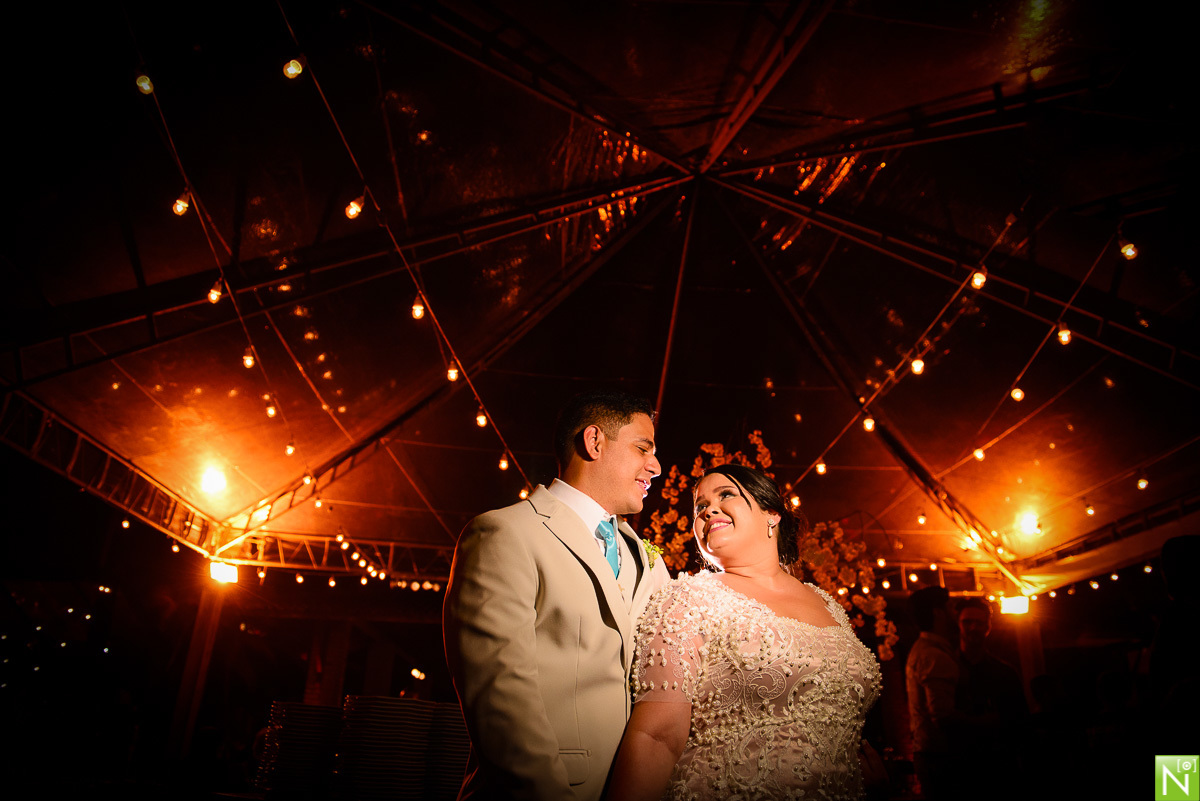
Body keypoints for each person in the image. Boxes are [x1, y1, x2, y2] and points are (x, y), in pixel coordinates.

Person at [443, 390, 672, 801]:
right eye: (643, 448)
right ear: (594, 441)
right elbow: (501, 697)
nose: (655, 466)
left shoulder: (645, 556)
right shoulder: (507, 533)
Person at [608, 464, 883, 800]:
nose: (708, 509)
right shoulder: (688, 599)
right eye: (700, 507)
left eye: (726, 495)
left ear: (772, 513)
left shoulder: (829, 605)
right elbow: (657, 738)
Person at [904, 586, 959, 801]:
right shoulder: (932, 654)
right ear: (938, 613)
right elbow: (943, 715)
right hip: (940, 758)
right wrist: (988, 723)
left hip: (933, 757)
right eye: (951, 607)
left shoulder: (926, 649)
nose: (955, 612)